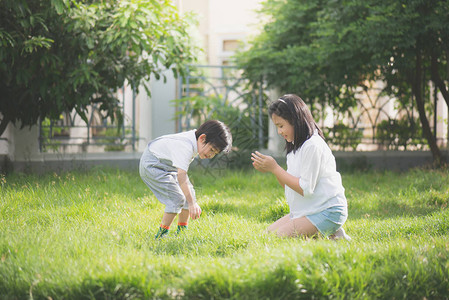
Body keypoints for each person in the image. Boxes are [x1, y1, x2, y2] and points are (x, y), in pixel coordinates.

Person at [251, 94, 350, 240]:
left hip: (327, 210)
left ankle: (330, 230)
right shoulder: (295, 147)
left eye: (281, 126)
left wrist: (275, 168)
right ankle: (331, 236)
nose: (279, 132)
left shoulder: (313, 146)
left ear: (295, 121)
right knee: (266, 236)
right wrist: (273, 171)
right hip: (309, 209)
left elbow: (305, 189)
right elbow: (290, 186)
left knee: (276, 239)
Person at [140, 120, 232, 239]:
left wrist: (191, 200)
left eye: (215, 153)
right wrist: (192, 203)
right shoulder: (185, 146)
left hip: (166, 166)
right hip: (153, 165)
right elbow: (181, 175)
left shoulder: (196, 138)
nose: (211, 155)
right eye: (212, 150)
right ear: (202, 138)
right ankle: (161, 236)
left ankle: (182, 232)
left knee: (190, 194)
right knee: (177, 198)